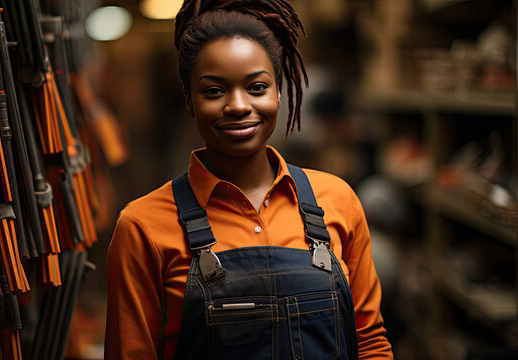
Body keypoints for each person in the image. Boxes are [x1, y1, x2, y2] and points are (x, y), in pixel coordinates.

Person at [105, 0, 393, 358]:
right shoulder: (142, 226)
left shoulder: (336, 199)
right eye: (214, 90)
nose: (239, 105)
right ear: (189, 100)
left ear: (278, 92)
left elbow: (369, 341)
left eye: (257, 87)